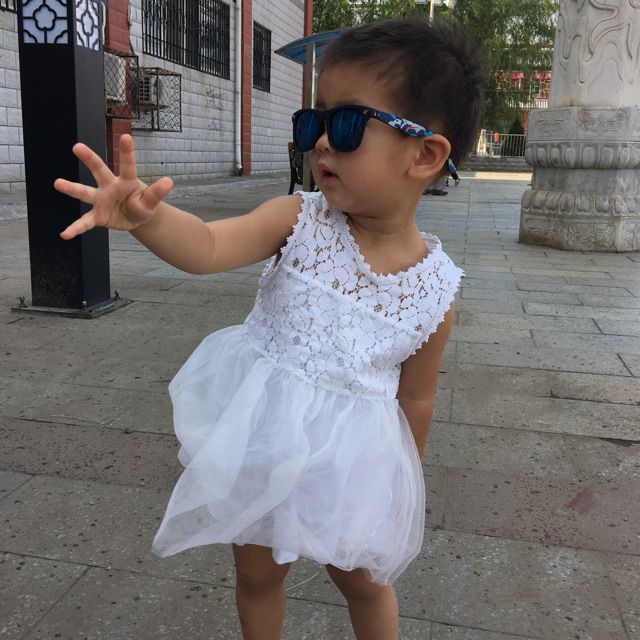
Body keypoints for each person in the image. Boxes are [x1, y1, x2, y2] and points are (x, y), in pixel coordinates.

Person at [55, 17, 485, 640]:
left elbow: (416, 395)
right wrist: (147, 218)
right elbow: (207, 247)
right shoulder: (298, 220)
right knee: (257, 572)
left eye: (346, 125)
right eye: (312, 123)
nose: (321, 143)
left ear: (425, 154)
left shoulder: (436, 289)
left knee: (364, 580)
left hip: (354, 459)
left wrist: (400, 482)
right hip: (263, 435)